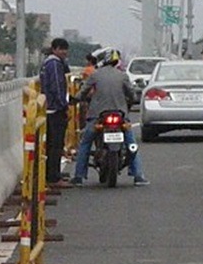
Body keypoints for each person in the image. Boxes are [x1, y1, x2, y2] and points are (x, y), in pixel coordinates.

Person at [70, 47, 147, 185]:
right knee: (131, 144)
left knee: (85, 143)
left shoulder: (95, 74)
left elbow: (83, 92)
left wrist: (75, 99)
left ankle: (78, 176)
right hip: (120, 115)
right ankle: (138, 175)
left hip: (97, 115)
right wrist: (130, 100)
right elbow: (132, 94)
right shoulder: (123, 75)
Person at [39, 37, 71, 183]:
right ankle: (54, 177)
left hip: (48, 108)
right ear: (55, 49)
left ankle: (50, 174)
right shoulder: (54, 64)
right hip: (55, 109)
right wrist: (63, 105)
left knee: (51, 144)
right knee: (56, 145)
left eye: (65, 49)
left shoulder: (47, 63)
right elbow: (57, 87)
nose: (65, 52)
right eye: (62, 49)